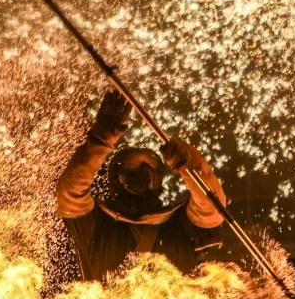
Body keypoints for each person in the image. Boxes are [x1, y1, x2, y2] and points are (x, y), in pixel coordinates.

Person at [56, 87, 229, 281]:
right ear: (116, 177)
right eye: (133, 167)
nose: (143, 172)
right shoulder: (97, 224)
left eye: (149, 166)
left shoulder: (178, 223)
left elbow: (213, 209)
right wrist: (100, 138)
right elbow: (69, 193)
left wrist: (190, 165)